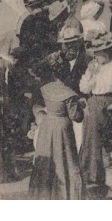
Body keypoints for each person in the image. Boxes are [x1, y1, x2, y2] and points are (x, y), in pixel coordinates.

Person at [78, 32, 112, 194]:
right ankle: (103, 184)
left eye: (99, 53)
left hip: (111, 107)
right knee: (94, 145)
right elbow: (83, 89)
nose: (96, 57)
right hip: (93, 106)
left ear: (107, 53)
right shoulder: (92, 69)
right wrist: (92, 75)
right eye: (95, 53)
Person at [28, 71, 85, 200]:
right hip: (62, 127)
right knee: (65, 160)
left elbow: (36, 106)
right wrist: (81, 107)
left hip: (47, 126)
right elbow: (76, 116)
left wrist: (41, 114)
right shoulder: (69, 93)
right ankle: (65, 195)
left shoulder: (45, 88)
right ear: (67, 76)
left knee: (48, 160)